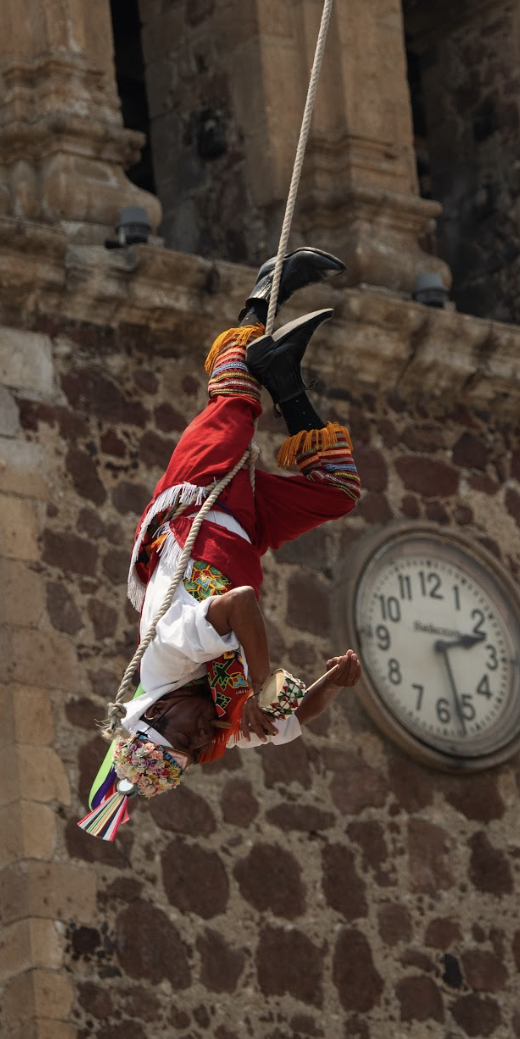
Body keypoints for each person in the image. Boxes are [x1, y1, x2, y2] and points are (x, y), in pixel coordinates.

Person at [79, 249, 363, 841]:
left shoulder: (167, 658)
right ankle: (284, 375)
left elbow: (239, 605)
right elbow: (291, 718)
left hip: (197, 506)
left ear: (155, 714)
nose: (203, 736)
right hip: (247, 529)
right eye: (196, 747)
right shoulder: (214, 710)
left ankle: (264, 290)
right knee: (336, 490)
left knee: (234, 399)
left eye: (184, 735)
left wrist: (260, 686)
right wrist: (327, 688)